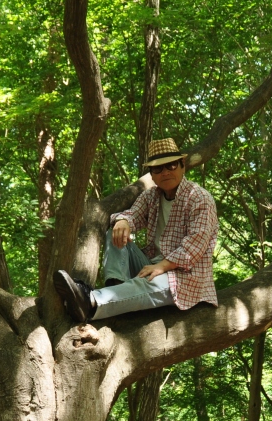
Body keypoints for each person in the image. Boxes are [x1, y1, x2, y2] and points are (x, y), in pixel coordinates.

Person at [54, 137, 218, 323]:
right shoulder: (151, 196)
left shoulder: (199, 198)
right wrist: (123, 221)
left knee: (146, 283)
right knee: (114, 233)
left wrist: (161, 266)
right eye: (158, 168)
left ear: (182, 166)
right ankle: (117, 287)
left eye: (171, 165)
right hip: (151, 265)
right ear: (152, 175)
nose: (165, 172)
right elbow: (132, 214)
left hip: (184, 278)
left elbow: (193, 248)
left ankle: (90, 299)